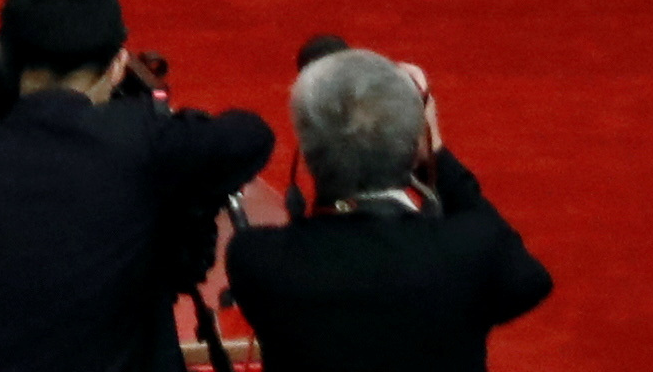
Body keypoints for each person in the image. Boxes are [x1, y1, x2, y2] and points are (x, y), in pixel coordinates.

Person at [225, 48, 553, 372]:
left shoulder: (258, 259)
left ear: (307, 156)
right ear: (415, 145)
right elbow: (528, 282)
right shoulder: (471, 251)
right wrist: (434, 153)